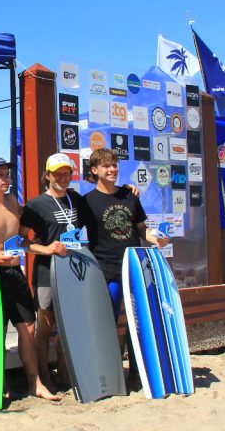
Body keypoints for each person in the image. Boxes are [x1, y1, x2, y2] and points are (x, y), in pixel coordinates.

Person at [0, 157, 59, 401]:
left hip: (15, 273)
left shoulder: (14, 204)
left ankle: (35, 383)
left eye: (7, 173)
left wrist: (46, 247)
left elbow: (23, 240)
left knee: (28, 329)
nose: (5, 177)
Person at [84, 148, 167, 392]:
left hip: (133, 267)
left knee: (137, 322)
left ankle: (137, 372)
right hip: (106, 269)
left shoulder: (130, 196)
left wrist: (155, 238)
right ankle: (110, 373)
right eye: (106, 166)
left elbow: (141, 229)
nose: (111, 170)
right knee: (107, 323)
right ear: (94, 170)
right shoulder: (86, 201)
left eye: (114, 165)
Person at [19, 153, 94, 391]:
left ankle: (63, 373)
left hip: (73, 268)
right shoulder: (35, 204)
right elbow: (20, 242)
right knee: (46, 324)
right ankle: (44, 376)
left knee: (70, 323)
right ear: (47, 175)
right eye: (57, 173)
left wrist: (127, 190)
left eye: (66, 173)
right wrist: (47, 248)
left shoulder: (77, 199)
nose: (62, 177)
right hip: (46, 270)